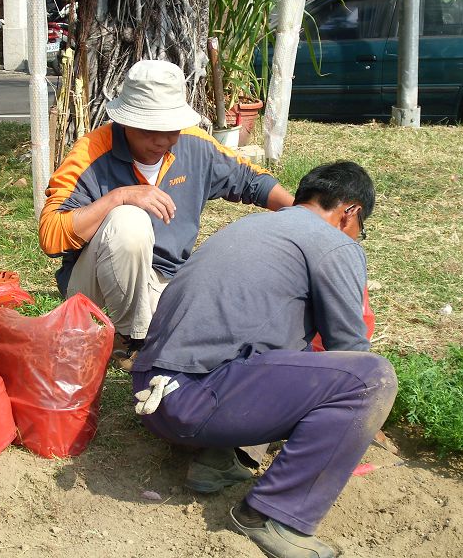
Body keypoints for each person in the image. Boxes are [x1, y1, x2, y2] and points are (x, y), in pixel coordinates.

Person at [131, 161, 397, 558]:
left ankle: (219, 459)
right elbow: (349, 350)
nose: (358, 236)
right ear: (350, 212)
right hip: (197, 400)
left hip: (154, 396)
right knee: (370, 379)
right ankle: (272, 516)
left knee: (287, 343)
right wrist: (360, 428)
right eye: (362, 227)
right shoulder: (334, 242)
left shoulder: (254, 227)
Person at [39, 60, 294, 368]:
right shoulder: (90, 151)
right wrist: (119, 197)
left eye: (170, 130)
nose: (161, 141)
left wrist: (305, 215)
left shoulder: (195, 145)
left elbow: (251, 180)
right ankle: (130, 340)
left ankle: (150, 334)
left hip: (164, 279)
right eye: (149, 130)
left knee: (223, 319)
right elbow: (51, 235)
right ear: (125, 122)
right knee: (128, 220)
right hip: (93, 290)